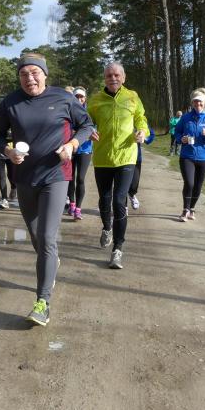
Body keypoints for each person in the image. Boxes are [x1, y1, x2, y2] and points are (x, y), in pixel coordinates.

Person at [0, 53, 94, 326]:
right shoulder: (10, 102)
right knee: (37, 237)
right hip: (24, 178)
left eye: (35, 73)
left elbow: (86, 125)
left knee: (47, 238)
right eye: (23, 74)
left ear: (45, 74)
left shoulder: (63, 98)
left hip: (56, 176)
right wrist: (8, 151)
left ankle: (42, 303)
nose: (29, 78)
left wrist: (72, 145)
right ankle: (51, 261)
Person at [87, 62, 149, 269]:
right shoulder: (96, 100)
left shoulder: (132, 97)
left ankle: (117, 249)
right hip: (103, 157)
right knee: (104, 199)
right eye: (108, 76)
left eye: (116, 75)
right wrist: (89, 130)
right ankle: (107, 228)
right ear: (104, 79)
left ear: (123, 77)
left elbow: (141, 118)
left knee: (119, 200)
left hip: (126, 157)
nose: (112, 78)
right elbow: (85, 121)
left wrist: (142, 131)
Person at [174, 88, 205, 222]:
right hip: (187, 156)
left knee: (198, 185)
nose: (198, 104)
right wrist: (181, 139)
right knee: (189, 183)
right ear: (192, 103)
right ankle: (185, 210)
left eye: (200, 102)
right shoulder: (185, 117)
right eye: (195, 102)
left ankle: (192, 208)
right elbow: (177, 132)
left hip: (203, 157)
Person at [66, 87, 92, 220]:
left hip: (85, 150)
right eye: (76, 97)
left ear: (85, 98)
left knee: (80, 178)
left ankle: (78, 208)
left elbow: (92, 129)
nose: (79, 99)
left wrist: (88, 133)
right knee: (70, 178)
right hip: (70, 149)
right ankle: (71, 203)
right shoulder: (67, 110)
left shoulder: (89, 112)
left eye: (81, 97)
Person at [128, 127, 155, 210]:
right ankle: (123, 207)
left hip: (136, 157)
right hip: (120, 157)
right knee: (122, 185)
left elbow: (151, 133)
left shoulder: (139, 121)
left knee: (134, 184)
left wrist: (144, 138)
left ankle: (132, 195)